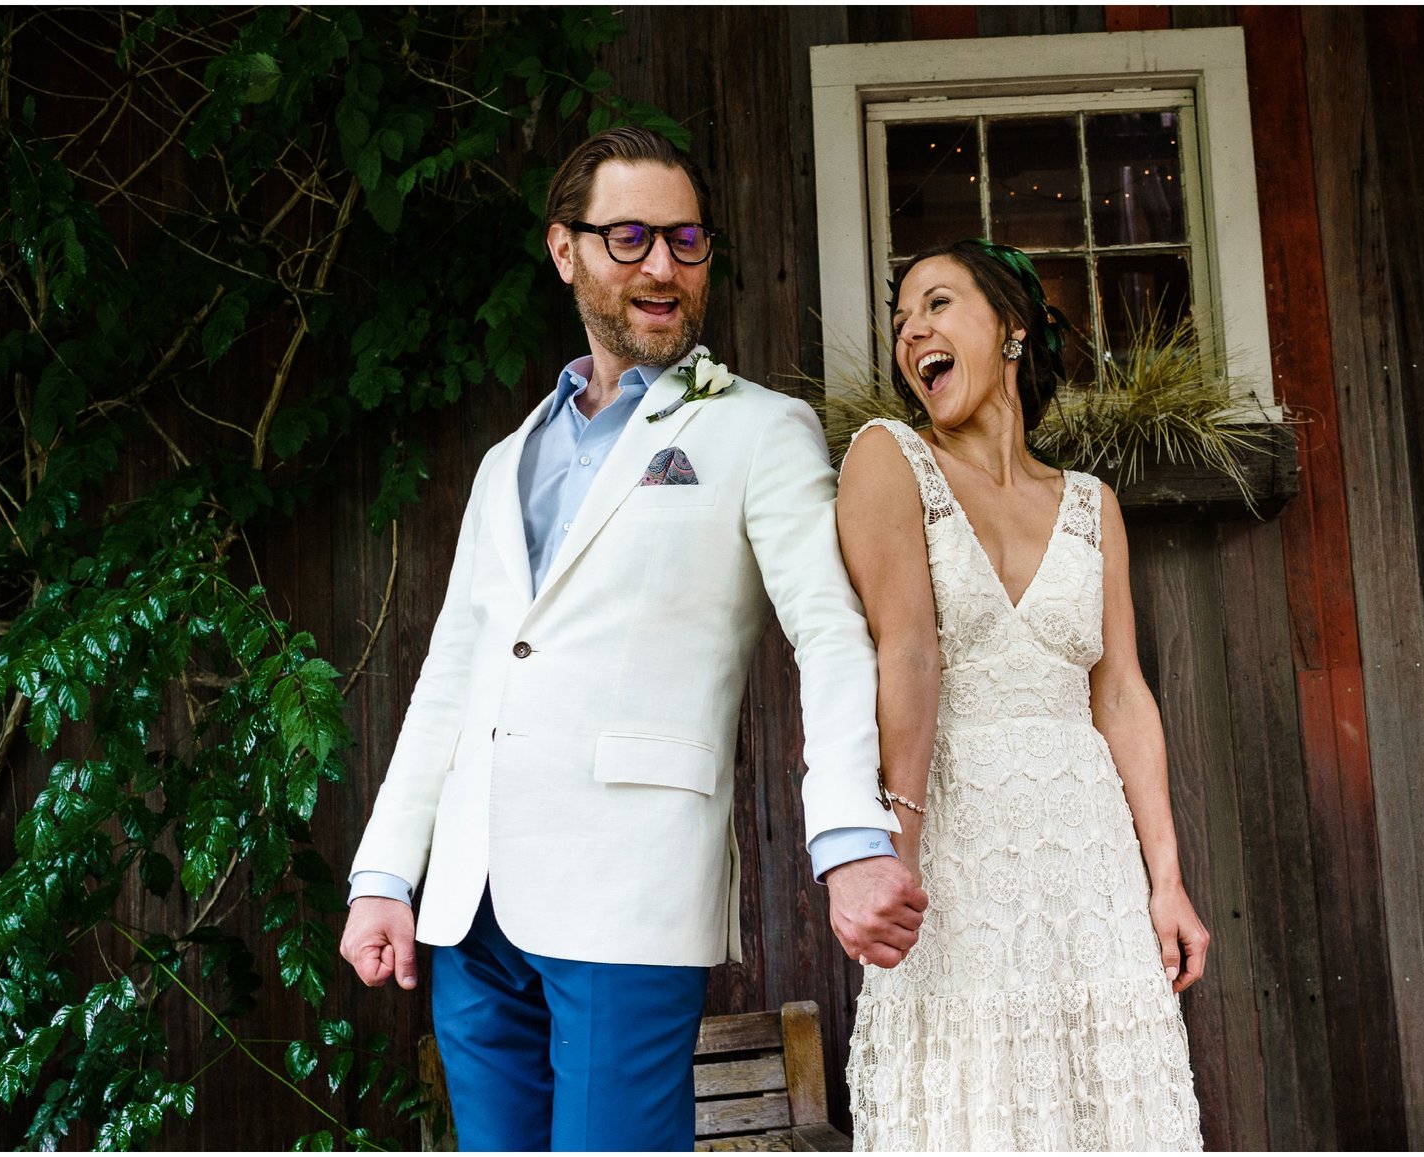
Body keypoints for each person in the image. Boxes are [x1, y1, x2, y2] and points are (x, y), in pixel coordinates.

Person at [336, 125, 925, 1151]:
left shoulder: (756, 428)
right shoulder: (503, 459)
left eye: (686, 240)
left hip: (628, 892)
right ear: (564, 250)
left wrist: (848, 835)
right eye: (631, 237)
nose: (662, 265)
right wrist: (386, 871)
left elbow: (830, 636)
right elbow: (453, 675)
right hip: (471, 909)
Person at [833, 239, 1206, 1149]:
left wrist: (1167, 882)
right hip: (959, 846)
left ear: (1011, 328)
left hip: (1087, 856)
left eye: (937, 303)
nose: (911, 329)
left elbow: (1120, 693)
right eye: (900, 320)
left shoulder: (1092, 503)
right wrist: (898, 852)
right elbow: (908, 656)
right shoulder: (888, 459)